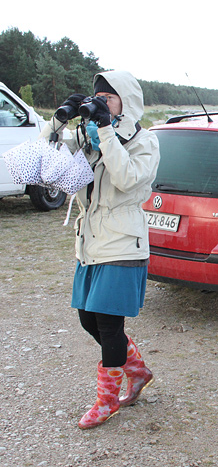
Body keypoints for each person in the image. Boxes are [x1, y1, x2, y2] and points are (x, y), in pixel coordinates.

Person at [40, 70, 160, 428]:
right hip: (90, 240)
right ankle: (137, 369)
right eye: (99, 98)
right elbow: (47, 163)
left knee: (108, 323)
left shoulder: (144, 142)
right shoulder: (89, 137)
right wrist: (58, 120)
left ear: (127, 101)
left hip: (123, 240)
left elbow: (125, 179)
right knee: (87, 319)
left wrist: (106, 129)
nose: (102, 104)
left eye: (110, 98)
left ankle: (107, 402)